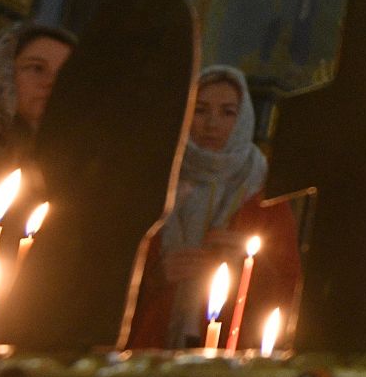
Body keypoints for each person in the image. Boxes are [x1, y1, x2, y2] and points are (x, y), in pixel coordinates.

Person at [128, 66, 300, 349]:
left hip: (230, 345)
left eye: (227, 112)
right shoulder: (155, 178)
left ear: (243, 118)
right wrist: (153, 277)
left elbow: (288, 284)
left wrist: (249, 266)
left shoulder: (262, 190)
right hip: (151, 339)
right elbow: (108, 269)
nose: (212, 123)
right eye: (200, 109)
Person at [0, 22, 74, 179]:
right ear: (1, 70)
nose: (51, 82)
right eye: (37, 68)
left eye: (64, 75)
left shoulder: (74, 164)